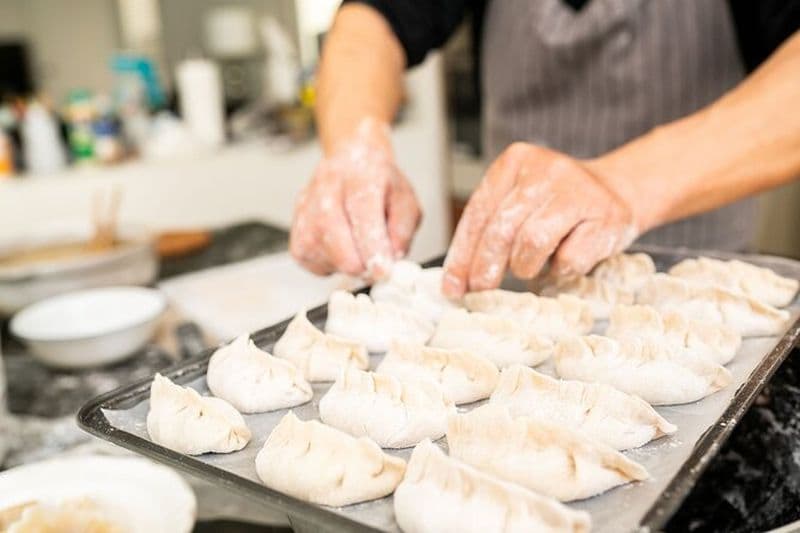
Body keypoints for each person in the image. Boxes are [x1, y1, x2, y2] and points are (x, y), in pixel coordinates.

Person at [289, 0, 800, 298]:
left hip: (697, 287)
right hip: (511, 289)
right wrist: (355, 146)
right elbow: (370, 22)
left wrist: (622, 186)